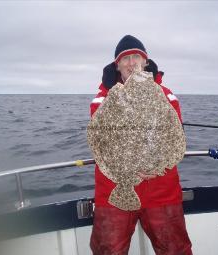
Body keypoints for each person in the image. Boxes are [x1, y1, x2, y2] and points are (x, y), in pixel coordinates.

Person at [89, 35, 192, 255]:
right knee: (108, 250)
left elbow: (174, 137)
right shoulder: (102, 99)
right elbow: (101, 140)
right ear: (117, 65)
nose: (131, 62)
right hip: (114, 190)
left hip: (160, 189)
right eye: (125, 58)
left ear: (146, 62)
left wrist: (155, 167)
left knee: (175, 250)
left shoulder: (167, 96)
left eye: (137, 56)